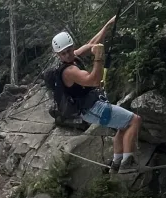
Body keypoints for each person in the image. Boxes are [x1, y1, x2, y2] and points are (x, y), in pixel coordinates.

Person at [51, 17, 143, 174]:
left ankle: (116, 163)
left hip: (93, 107)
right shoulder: (69, 71)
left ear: (72, 47)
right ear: (58, 55)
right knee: (134, 120)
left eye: (69, 50)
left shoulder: (73, 57)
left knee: (123, 125)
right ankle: (127, 164)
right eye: (63, 53)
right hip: (93, 109)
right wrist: (98, 57)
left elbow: (90, 43)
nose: (68, 55)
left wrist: (107, 26)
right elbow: (93, 81)